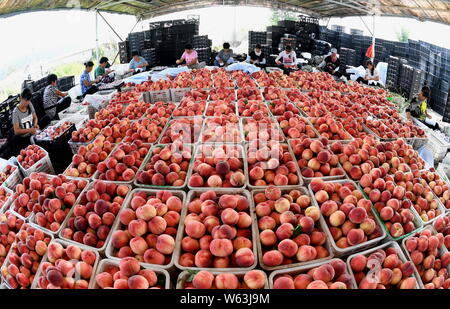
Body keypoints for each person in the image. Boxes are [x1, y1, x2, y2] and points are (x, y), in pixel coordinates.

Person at [0, 88, 39, 158]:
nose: (27, 102)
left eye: (29, 100)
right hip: (22, 137)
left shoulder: (29, 104)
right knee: (8, 149)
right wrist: (30, 130)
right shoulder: (16, 112)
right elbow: (17, 131)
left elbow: (35, 117)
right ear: (21, 98)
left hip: (31, 134)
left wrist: (35, 125)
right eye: (26, 100)